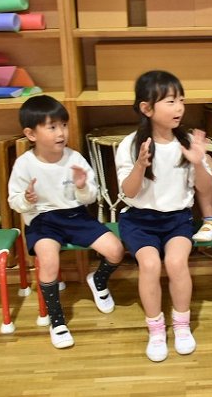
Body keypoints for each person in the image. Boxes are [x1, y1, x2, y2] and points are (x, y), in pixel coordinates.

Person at [8, 95, 125, 349]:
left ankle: (98, 280)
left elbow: (90, 196)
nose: (61, 133)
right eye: (52, 127)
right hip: (43, 220)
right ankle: (57, 320)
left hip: (76, 215)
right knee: (49, 261)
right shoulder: (24, 164)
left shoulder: (75, 159)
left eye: (63, 125)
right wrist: (26, 199)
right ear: (31, 134)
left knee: (116, 249)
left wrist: (82, 187)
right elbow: (14, 201)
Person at [115, 70, 212, 362]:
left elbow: (205, 189)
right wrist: (140, 166)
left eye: (181, 100)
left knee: (176, 262)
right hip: (139, 220)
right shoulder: (131, 145)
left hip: (177, 219)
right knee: (149, 265)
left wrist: (198, 163)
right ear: (147, 108)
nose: (179, 107)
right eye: (170, 101)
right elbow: (129, 192)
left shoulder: (187, 142)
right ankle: (156, 330)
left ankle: (181, 325)